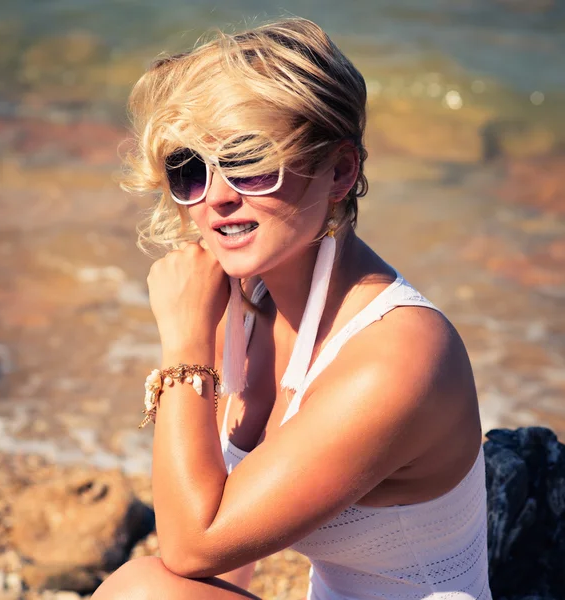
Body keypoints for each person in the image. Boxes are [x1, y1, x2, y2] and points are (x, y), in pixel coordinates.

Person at [92, 17, 491, 600]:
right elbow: (212, 563)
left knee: (146, 589)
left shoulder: (398, 355)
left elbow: (190, 544)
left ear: (341, 170)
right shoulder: (250, 303)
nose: (220, 195)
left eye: (249, 158)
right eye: (190, 168)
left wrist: (183, 344)